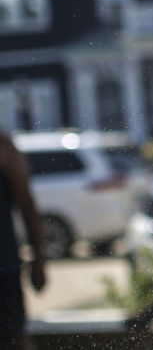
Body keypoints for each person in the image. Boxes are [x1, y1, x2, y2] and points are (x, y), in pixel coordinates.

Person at [0, 131, 47, 350]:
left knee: (15, 340)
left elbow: (27, 205)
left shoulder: (3, 146)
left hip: (3, 268)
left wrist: (39, 260)